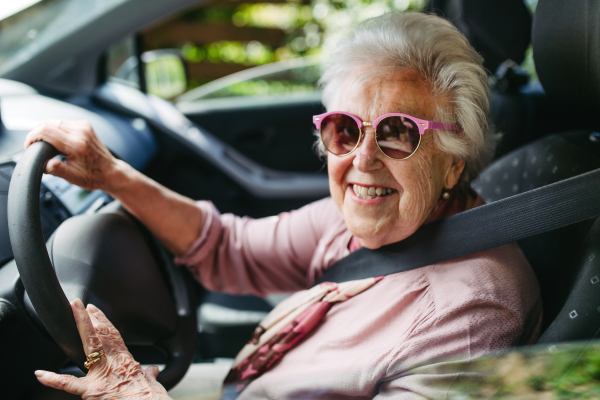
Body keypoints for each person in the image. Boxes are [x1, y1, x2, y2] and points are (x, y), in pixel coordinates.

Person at [29, 11, 541, 400]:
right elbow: (229, 246)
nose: (363, 160)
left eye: (399, 133)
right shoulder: (369, 222)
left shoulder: (470, 316)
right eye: (347, 129)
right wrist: (110, 174)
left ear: (454, 162)